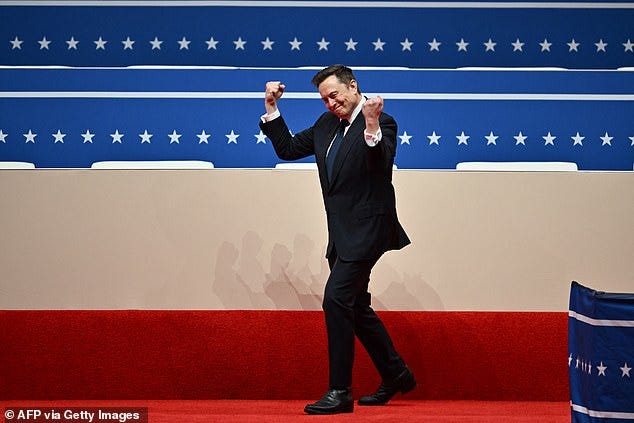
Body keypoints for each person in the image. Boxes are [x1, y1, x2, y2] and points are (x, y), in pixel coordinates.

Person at [259, 64, 415, 415]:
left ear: (353, 87)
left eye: (335, 95)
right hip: (341, 234)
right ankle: (396, 373)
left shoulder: (382, 121)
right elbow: (285, 149)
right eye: (325, 98)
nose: (331, 103)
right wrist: (271, 108)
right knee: (356, 307)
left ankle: (340, 391)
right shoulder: (325, 124)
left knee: (336, 300)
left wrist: (372, 123)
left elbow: (381, 163)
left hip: (369, 229)